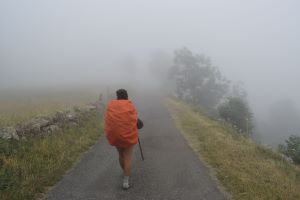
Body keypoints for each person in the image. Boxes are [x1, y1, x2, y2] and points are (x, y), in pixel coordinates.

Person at [104, 89, 138, 189]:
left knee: (121, 155)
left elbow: (108, 119)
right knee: (128, 157)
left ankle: (125, 172)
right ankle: (126, 181)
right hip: (128, 136)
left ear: (117, 96)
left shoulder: (111, 105)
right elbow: (134, 118)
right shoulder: (130, 105)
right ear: (126, 96)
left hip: (115, 136)